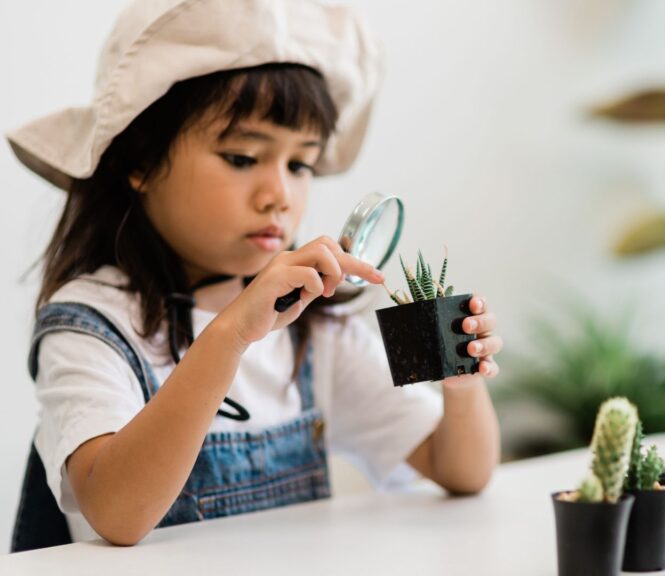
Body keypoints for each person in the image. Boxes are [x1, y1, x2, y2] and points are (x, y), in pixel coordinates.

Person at [7, 0, 502, 551]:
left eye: (300, 164)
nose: (279, 195)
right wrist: (231, 332)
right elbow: (117, 514)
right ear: (141, 162)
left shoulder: (315, 327)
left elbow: (462, 471)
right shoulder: (93, 324)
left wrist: (461, 384)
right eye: (243, 157)